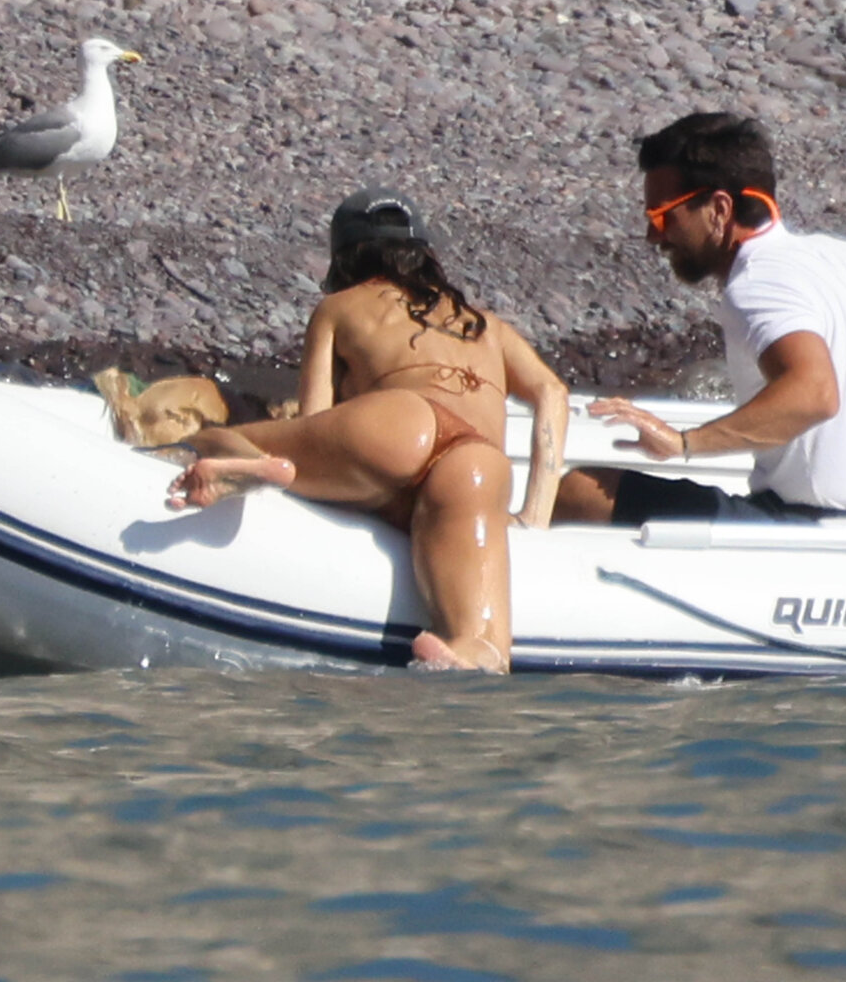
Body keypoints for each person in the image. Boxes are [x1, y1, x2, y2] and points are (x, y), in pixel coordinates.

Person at [552, 111, 846, 527]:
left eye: (662, 218)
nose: (653, 237)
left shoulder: (756, 284)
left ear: (719, 209)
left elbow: (814, 395)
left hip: (804, 533)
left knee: (579, 492)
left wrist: (683, 443)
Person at [164, 188, 570, 673]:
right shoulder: (487, 325)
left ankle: (254, 465)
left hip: (396, 425)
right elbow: (552, 392)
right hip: (478, 462)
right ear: (424, 252)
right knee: (484, 645)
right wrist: (535, 514)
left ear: (343, 257)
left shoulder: (339, 307)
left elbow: (314, 417)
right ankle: (469, 650)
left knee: (210, 439)